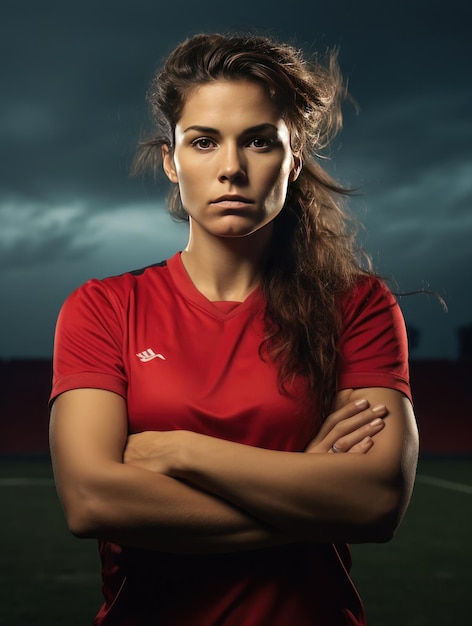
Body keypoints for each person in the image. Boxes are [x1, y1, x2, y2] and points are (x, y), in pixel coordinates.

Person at [49, 32, 419, 626]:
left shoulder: (356, 305)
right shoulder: (104, 308)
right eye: (203, 142)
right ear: (171, 160)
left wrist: (177, 450)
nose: (231, 168)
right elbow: (92, 500)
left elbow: (375, 502)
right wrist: (307, 487)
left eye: (258, 141)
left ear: (293, 155)